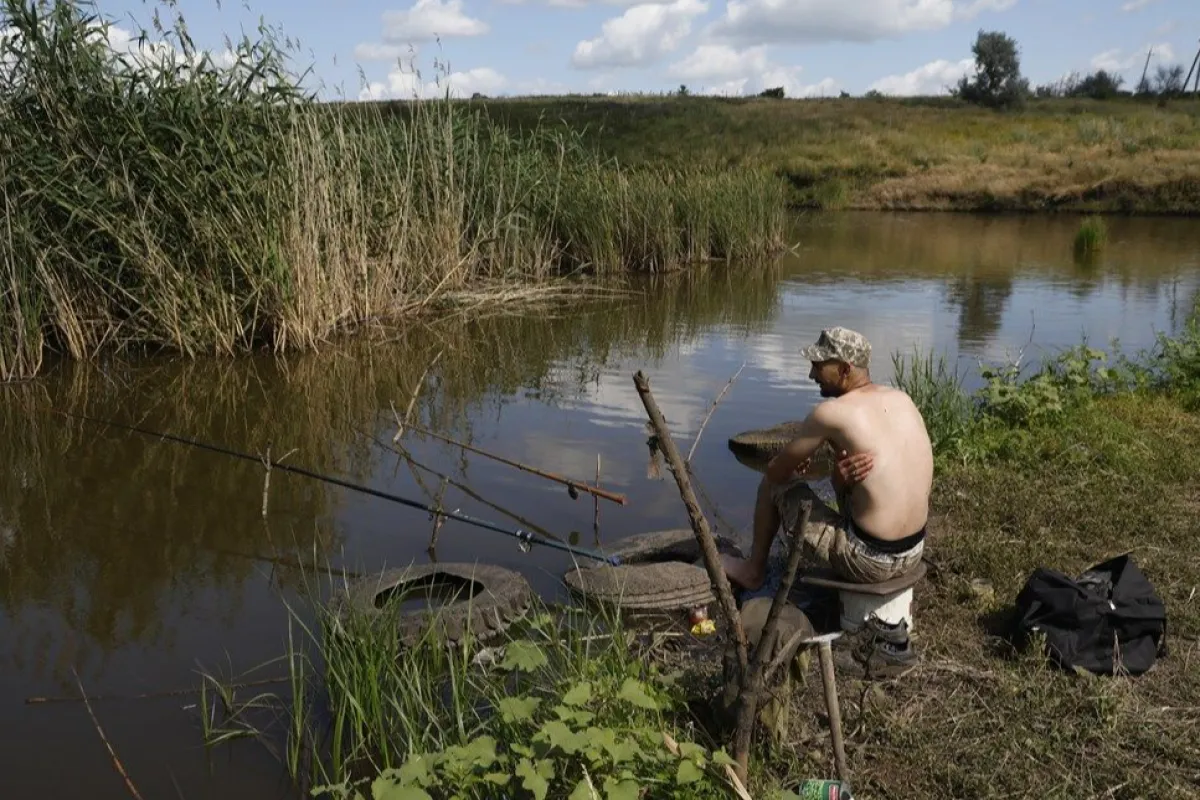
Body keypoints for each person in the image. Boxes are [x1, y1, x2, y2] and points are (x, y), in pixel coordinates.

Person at [721, 326, 933, 591]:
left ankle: (752, 571)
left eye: (819, 366)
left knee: (772, 483)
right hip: (913, 553)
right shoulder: (902, 400)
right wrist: (837, 480)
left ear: (845, 369)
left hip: (868, 563)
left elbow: (777, 473)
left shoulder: (831, 413)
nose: (811, 374)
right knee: (842, 478)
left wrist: (793, 474)